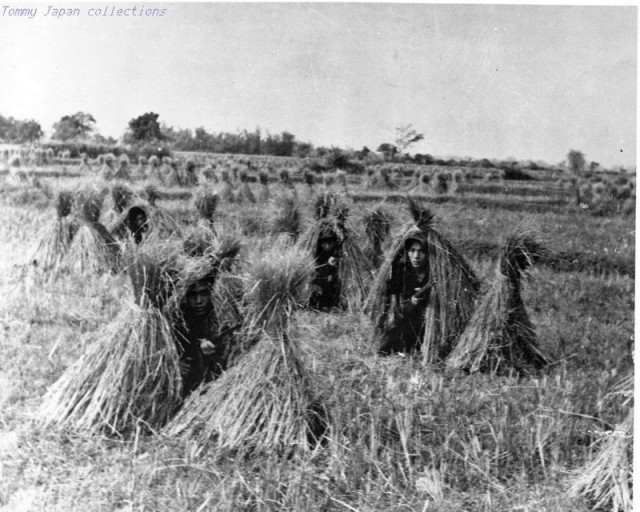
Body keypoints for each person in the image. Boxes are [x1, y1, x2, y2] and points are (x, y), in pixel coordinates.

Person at [175, 277, 236, 396]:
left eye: (204, 293)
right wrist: (176, 366)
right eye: (193, 295)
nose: (198, 301)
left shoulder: (222, 317)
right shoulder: (178, 322)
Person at [377, 237, 435, 355]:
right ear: (407, 253)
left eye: (421, 251)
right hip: (406, 320)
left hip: (428, 323)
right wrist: (411, 303)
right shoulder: (401, 272)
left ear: (428, 254)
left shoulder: (432, 273)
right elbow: (396, 311)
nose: (416, 256)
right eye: (412, 251)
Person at [309, 228, 343, 311]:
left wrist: (335, 263)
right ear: (320, 244)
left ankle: (331, 304)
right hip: (319, 281)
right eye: (324, 243)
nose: (327, 246)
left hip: (333, 284)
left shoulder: (337, 253)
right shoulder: (317, 254)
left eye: (330, 243)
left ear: (334, 243)